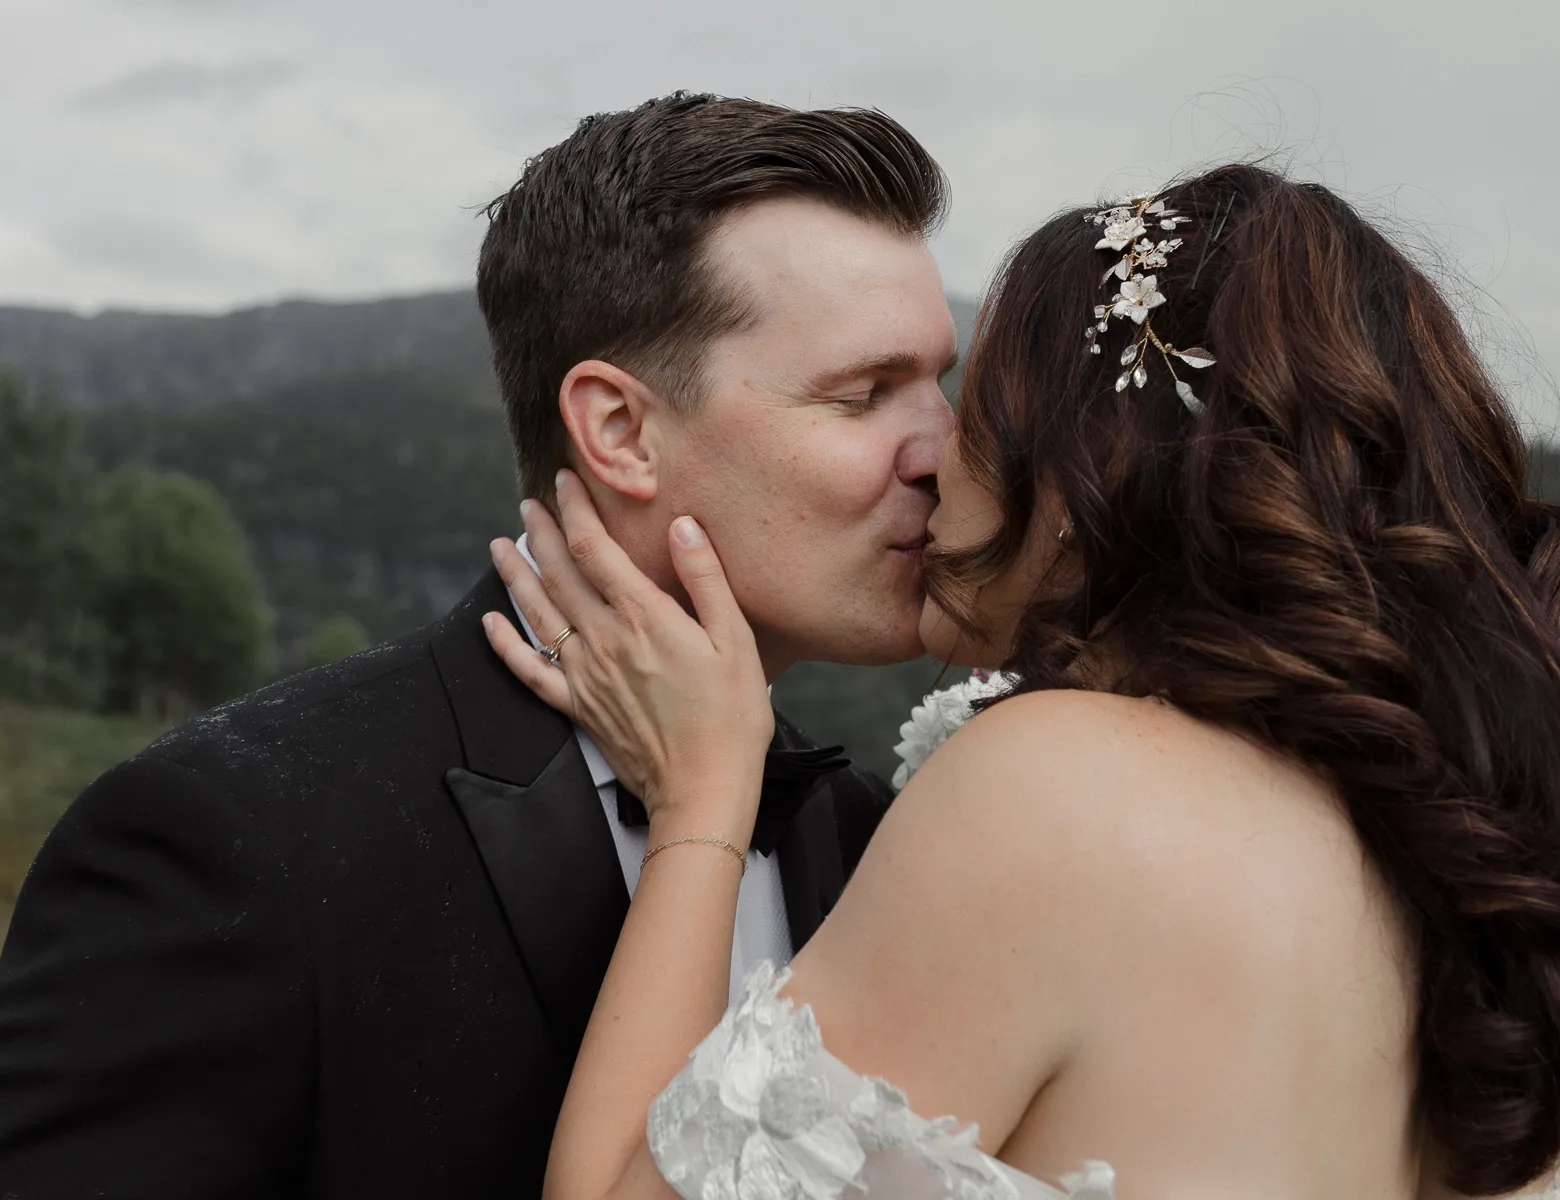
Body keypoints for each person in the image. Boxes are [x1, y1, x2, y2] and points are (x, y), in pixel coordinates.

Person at [487, 164, 1560, 1198]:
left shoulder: (1055, 787)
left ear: (1082, 470)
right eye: (870, 395)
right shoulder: (1434, 862)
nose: (931, 455)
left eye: (975, 404)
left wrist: (702, 802)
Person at [0, 94, 958, 1197]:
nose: (944, 450)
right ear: (620, 431)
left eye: (941, 386)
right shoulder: (236, 836)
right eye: (865, 394)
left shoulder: (877, 839)